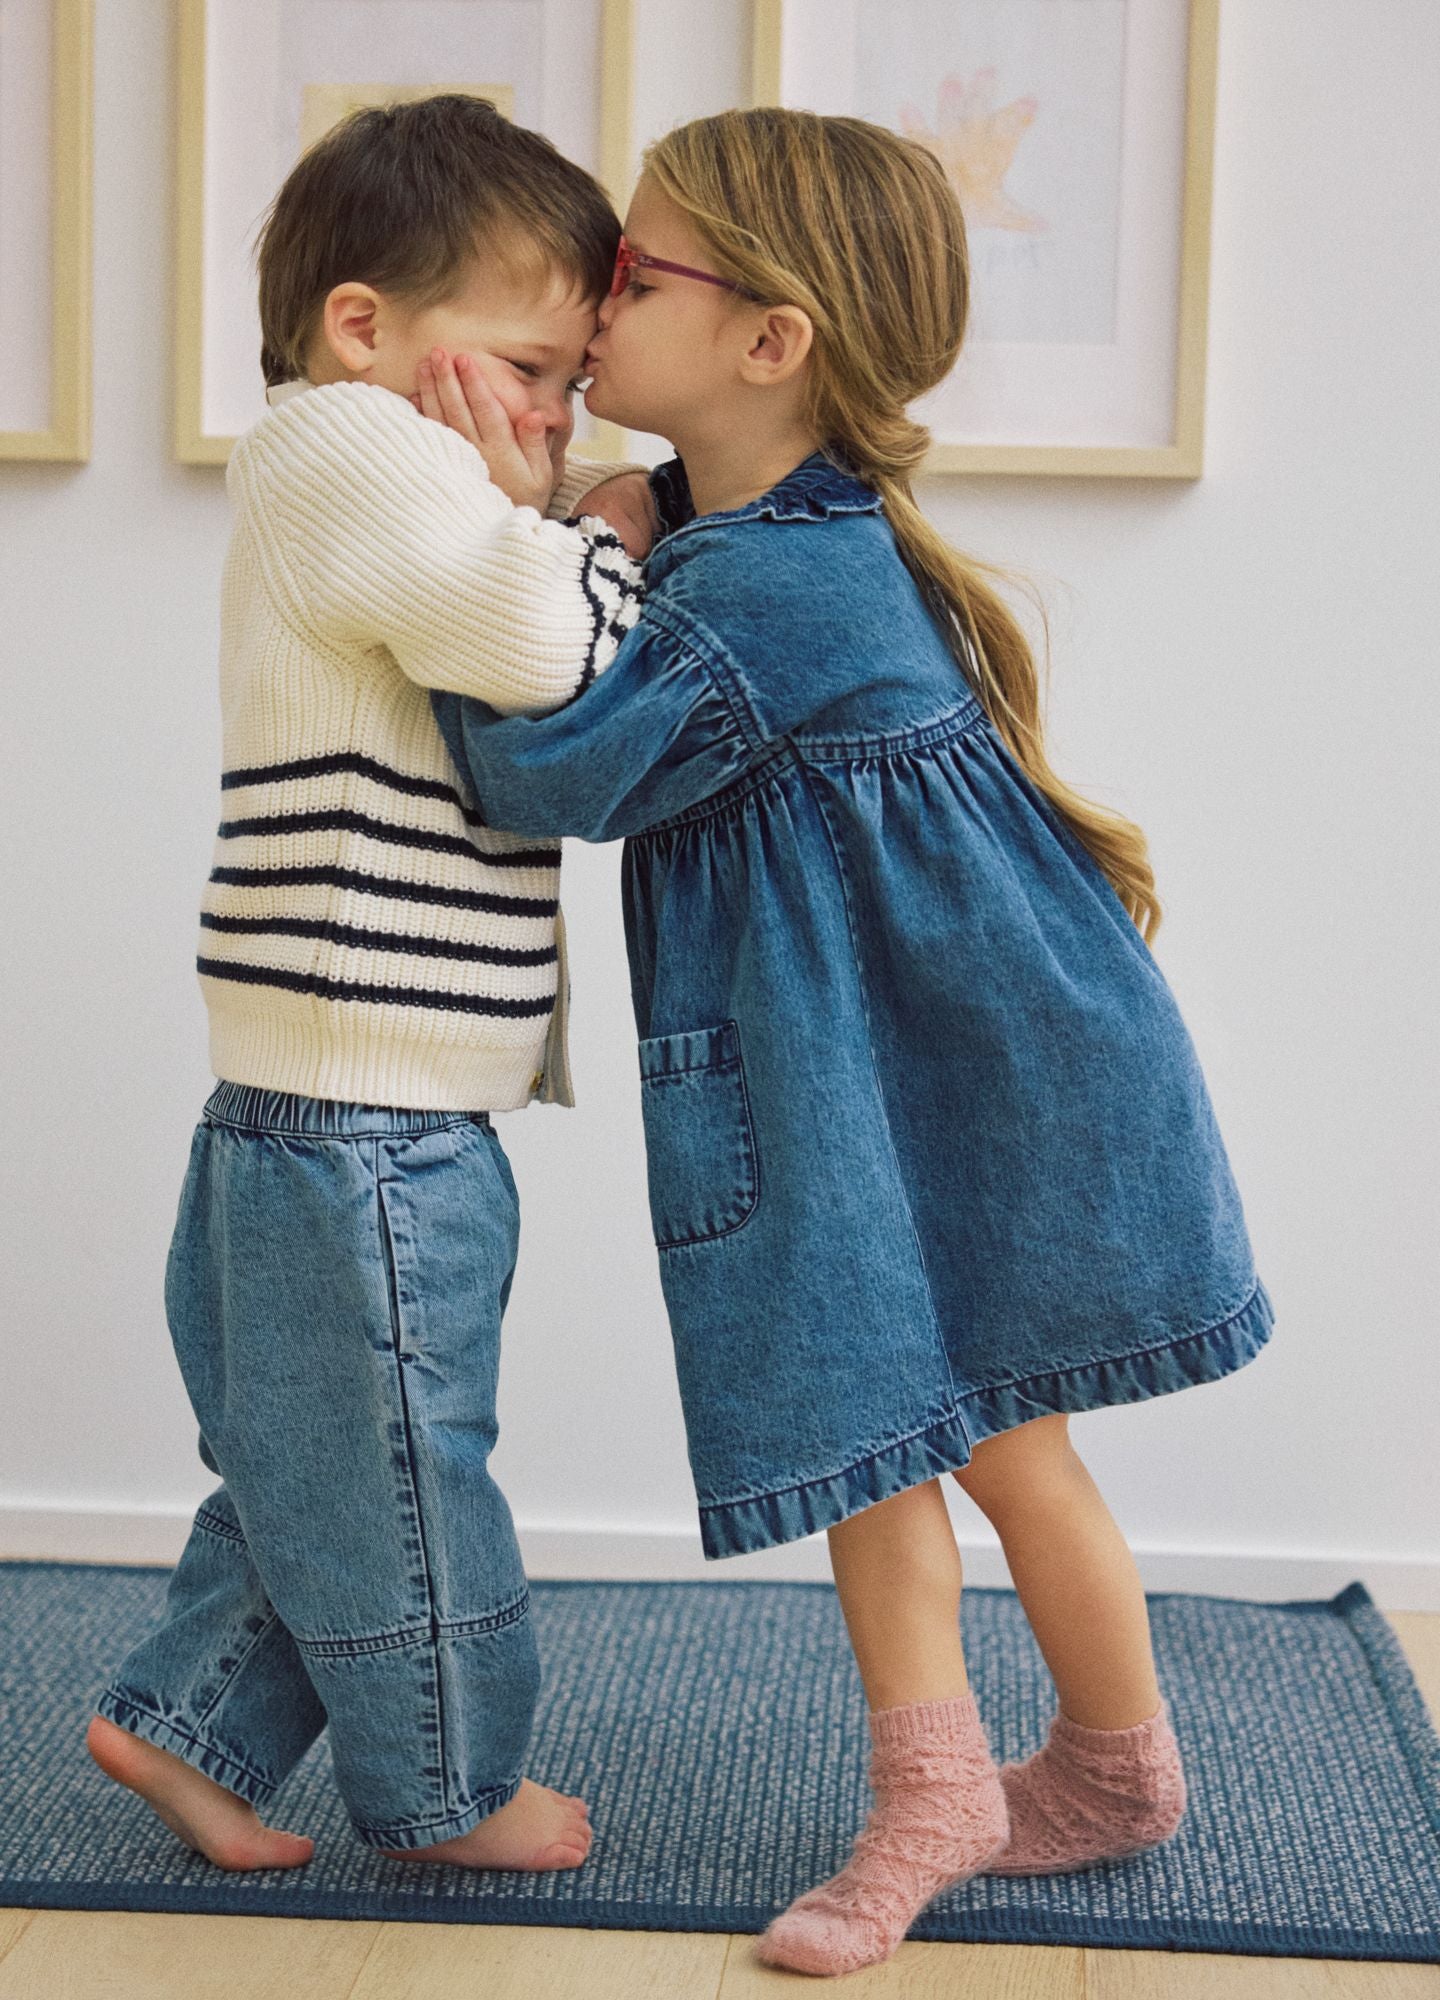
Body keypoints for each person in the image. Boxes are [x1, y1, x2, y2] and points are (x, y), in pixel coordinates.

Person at [427, 106, 1274, 1974]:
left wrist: (495, 541)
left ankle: (941, 1796)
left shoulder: (767, 594)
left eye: (633, 274)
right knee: (974, 1435)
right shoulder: (762, 546)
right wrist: (622, 525)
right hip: (920, 1066)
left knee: (888, 1433)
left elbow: (541, 769)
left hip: (889, 1084)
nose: (591, 298)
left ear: (767, 341)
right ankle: (1114, 1766)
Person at [86, 94, 654, 1875]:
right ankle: (450, 1795)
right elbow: (549, 647)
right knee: (413, 1466)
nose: (556, 421)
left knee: (328, 1457)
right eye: (533, 370)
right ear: (364, 329)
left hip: (328, 1096)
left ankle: (183, 1725)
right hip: (369, 1113)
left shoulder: (364, 463)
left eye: (570, 384)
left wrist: (534, 498)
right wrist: (595, 530)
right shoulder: (359, 450)